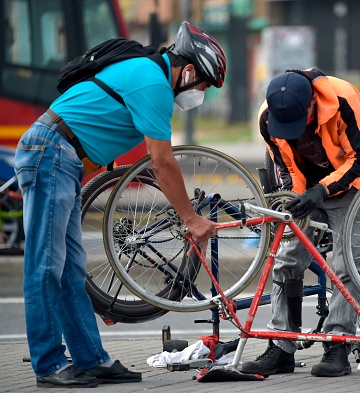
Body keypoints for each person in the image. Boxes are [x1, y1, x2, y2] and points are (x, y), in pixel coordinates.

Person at [13, 21, 225, 388]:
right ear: (189, 71)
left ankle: (91, 360)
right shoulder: (154, 82)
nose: (200, 93)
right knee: (46, 266)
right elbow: (162, 161)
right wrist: (191, 219)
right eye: (203, 84)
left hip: (59, 156)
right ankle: (47, 365)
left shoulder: (147, 72)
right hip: (51, 152)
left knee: (69, 271)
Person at [241, 69, 360, 377]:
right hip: (310, 187)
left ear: (311, 104)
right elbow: (285, 165)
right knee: (285, 260)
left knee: (346, 264)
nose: (292, 131)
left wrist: (321, 191)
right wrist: (296, 198)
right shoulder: (268, 118)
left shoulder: (343, 97)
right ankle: (282, 345)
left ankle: (338, 344)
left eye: (298, 123)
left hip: (357, 181)